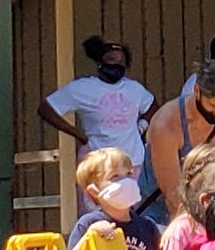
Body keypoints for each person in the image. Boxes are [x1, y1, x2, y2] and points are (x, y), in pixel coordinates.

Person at [145, 44, 215, 216]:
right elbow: (173, 196)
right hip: (159, 213)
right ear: (197, 91)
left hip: (209, 210)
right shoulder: (167, 125)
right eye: (212, 106)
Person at [40, 35, 156, 177]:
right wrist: (77, 134)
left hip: (132, 164)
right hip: (98, 165)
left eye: (121, 62)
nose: (117, 65)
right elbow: (46, 109)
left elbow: (153, 108)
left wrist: (141, 126)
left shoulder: (135, 89)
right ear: (100, 62)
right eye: (112, 60)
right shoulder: (82, 88)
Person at [69, 142, 158, 250]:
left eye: (128, 174)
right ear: (94, 191)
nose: (126, 181)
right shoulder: (88, 224)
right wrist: (90, 236)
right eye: (115, 176)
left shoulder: (148, 227)